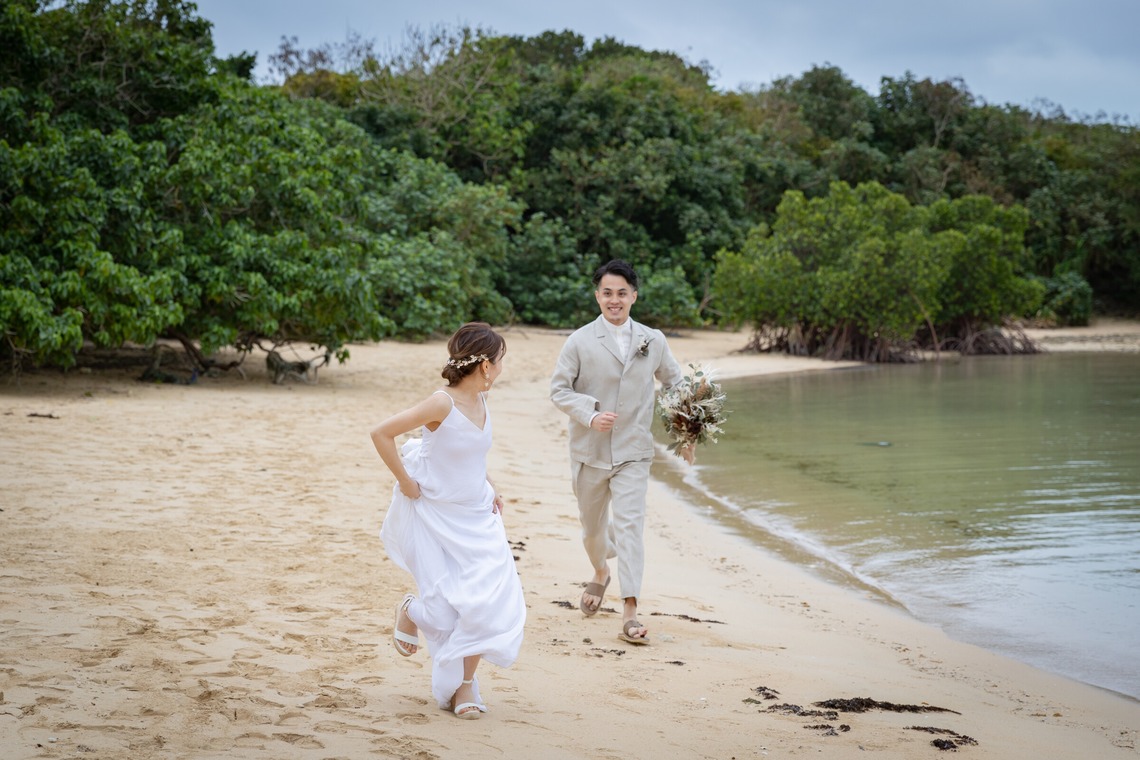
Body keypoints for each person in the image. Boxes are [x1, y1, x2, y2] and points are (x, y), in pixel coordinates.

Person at [372, 322, 525, 719]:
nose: (503, 368)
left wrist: (492, 487)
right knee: (441, 611)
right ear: (486, 366)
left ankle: (465, 686)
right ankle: (411, 609)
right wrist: (406, 483)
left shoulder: (483, 402)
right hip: (437, 516)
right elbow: (381, 433)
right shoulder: (442, 403)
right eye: (501, 361)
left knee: (485, 604)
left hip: (480, 517)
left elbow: (470, 455)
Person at [550, 259, 694, 646]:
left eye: (622, 293)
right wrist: (589, 414)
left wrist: (688, 432)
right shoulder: (579, 340)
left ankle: (630, 611)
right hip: (589, 451)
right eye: (607, 293)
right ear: (598, 296)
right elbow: (559, 390)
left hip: (634, 450)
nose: (615, 300)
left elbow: (675, 384)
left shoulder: (653, 339)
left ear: (634, 296)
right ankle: (600, 570)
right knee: (593, 530)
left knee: (631, 528)